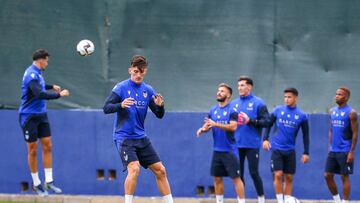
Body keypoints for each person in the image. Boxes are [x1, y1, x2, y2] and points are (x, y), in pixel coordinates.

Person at [103, 55, 173, 203]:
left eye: (142, 72)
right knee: (134, 169)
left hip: (141, 138)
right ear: (130, 70)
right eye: (136, 71)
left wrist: (160, 106)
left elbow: (159, 115)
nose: (139, 75)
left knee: (161, 170)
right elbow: (106, 108)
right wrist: (121, 105)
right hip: (124, 137)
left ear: (145, 72)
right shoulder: (121, 88)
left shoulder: (148, 90)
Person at [19, 49, 69, 196]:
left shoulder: (37, 72)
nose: (47, 63)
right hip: (29, 117)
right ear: (41, 60)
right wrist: (59, 94)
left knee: (48, 145)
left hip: (41, 115)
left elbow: (41, 86)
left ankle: (49, 181)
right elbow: (39, 93)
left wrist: (51, 86)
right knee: (33, 150)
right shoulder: (31, 74)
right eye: (46, 60)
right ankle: (36, 184)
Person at [196, 83, 245, 203]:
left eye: (222, 91)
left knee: (236, 179)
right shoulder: (213, 110)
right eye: (218, 90)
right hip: (217, 151)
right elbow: (208, 124)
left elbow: (233, 127)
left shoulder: (233, 111)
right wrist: (203, 129)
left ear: (228, 95)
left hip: (230, 151)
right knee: (217, 178)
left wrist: (215, 124)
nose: (219, 93)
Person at [262, 88, 310, 203]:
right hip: (277, 149)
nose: (286, 99)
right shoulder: (278, 110)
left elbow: (306, 135)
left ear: (295, 98)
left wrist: (306, 152)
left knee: (289, 177)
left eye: (289, 97)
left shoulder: (302, 115)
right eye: (285, 97)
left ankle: (287, 199)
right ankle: (280, 200)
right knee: (278, 175)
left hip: (290, 151)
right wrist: (265, 139)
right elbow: (268, 124)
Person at [230, 76, 270, 203]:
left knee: (254, 173)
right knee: (238, 174)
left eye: (242, 85)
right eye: (238, 85)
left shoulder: (259, 103)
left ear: (250, 87)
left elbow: (267, 122)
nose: (239, 88)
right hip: (236, 144)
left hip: (252, 145)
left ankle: (261, 199)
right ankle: (241, 200)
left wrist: (250, 121)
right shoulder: (233, 104)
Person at [324, 86, 358, 203]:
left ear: (346, 97)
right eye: (336, 94)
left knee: (344, 176)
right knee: (327, 175)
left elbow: (355, 133)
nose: (336, 96)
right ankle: (337, 200)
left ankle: (345, 201)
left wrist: (351, 152)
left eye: (340, 94)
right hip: (333, 150)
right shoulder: (332, 111)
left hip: (345, 150)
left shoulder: (351, 113)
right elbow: (331, 129)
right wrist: (330, 145)